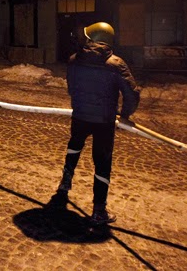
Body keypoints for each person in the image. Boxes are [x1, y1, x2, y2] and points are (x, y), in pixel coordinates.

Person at [50, 22, 140, 225]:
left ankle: (65, 183)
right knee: (102, 163)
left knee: (74, 146)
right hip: (104, 121)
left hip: (80, 115)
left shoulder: (74, 60)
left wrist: (80, 103)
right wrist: (124, 114)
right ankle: (99, 210)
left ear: (92, 39)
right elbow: (132, 93)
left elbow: (71, 88)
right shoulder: (116, 64)